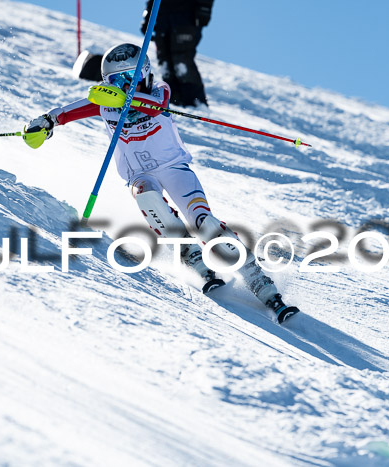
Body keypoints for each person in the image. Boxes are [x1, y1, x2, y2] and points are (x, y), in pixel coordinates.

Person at [26, 43, 299, 324]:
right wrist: (46, 122)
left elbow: (156, 107)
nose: (123, 86)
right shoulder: (104, 104)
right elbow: (64, 113)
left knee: (204, 222)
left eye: (129, 79)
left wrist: (124, 100)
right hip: (139, 174)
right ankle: (188, 251)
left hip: (174, 169)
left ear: (144, 75)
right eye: (115, 82)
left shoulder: (159, 91)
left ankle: (257, 279)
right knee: (145, 195)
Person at [141, 0, 213, 108]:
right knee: (164, 62)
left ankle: (195, 102)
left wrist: (204, 8)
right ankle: (174, 101)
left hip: (187, 15)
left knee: (181, 61)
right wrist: (148, 17)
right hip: (162, 17)